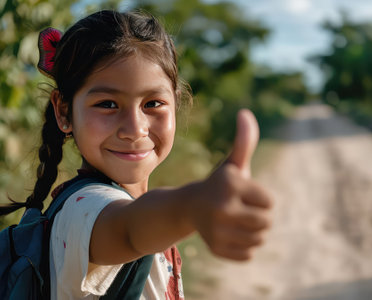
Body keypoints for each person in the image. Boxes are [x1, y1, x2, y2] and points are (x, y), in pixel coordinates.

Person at [0, 9, 272, 299]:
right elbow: (129, 229)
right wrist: (193, 205)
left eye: (153, 103)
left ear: (175, 103)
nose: (134, 128)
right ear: (63, 111)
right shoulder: (83, 210)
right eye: (107, 104)